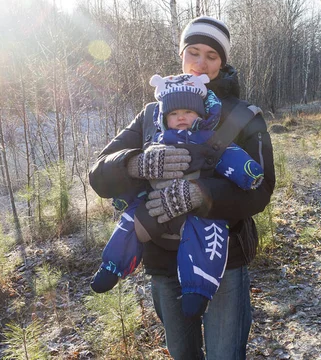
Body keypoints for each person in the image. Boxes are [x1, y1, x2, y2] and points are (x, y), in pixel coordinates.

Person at [89, 15, 275, 360]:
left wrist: (201, 196)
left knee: (224, 354)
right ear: (181, 55)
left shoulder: (243, 115)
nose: (200, 63)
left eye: (211, 56)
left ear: (223, 62)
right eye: (193, 52)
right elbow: (98, 174)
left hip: (223, 257)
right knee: (182, 353)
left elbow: (261, 189)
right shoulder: (151, 114)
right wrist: (132, 163)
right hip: (162, 258)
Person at [90, 72, 264, 320]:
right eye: (173, 113)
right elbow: (102, 171)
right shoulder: (152, 137)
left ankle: (198, 289)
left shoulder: (209, 140)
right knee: (129, 224)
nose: (181, 117)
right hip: (155, 209)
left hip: (196, 214)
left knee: (205, 236)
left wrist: (247, 174)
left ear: (201, 113)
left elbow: (232, 159)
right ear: (164, 117)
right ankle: (112, 266)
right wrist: (133, 164)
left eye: (188, 112)